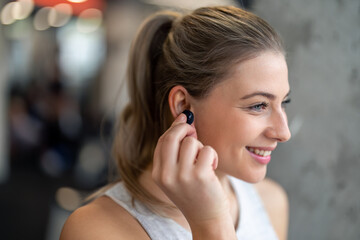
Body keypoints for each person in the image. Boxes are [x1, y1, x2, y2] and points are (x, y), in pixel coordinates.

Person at [60, 5, 291, 240]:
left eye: (284, 102)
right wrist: (210, 224)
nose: (284, 132)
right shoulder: (97, 230)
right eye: (259, 105)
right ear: (183, 106)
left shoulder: (270, 202)